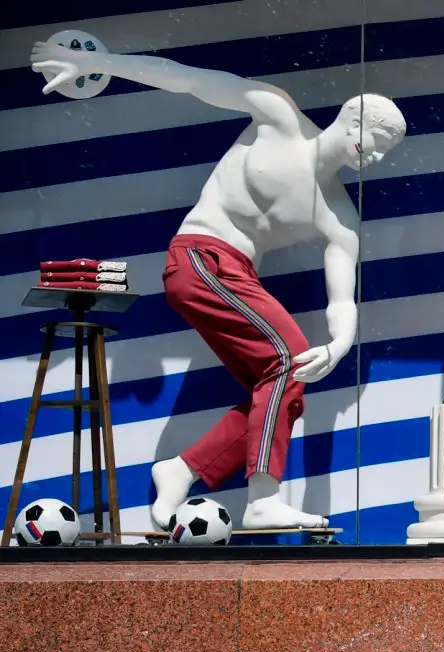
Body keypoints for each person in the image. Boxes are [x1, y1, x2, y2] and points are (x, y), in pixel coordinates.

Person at [30, 40, 407, 530]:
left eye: (386, 153)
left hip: (233, 275)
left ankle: (183, 469)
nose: (376, 157)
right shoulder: (278, 116)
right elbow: (185, 78)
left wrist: (341, 342)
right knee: (287, 361)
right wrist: (97, 63)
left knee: (281, 389)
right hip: (199, 256)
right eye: (376, 141)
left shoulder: (340, 215)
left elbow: (342, 297)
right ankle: (262, 499)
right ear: (352, 118)